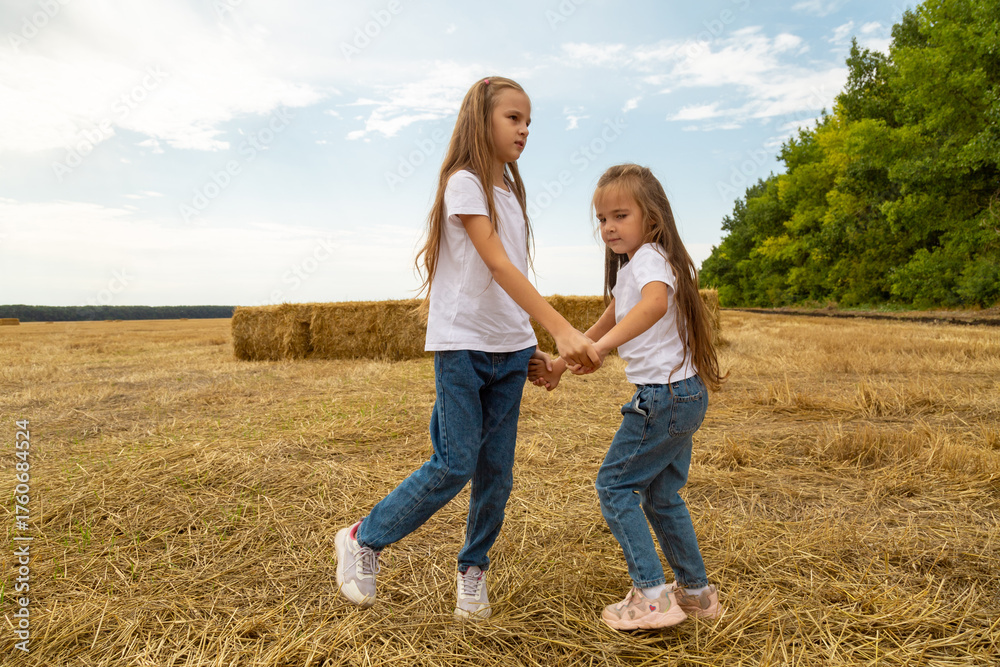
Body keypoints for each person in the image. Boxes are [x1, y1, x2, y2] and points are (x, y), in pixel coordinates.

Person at [335, 76, 601, 620]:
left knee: (496, 474)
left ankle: (472, 569)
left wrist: (530, 340)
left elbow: (513, 274)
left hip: (510, 351)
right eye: (513, 118)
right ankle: (364, 536)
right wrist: (561, 328)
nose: (525, 130)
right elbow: (497, 263)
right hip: (463, 346)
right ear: (480, 120)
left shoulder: (510, 191)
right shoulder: (464, 182)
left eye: (529, 121)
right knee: (456, 461)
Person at [528, 163, 727, 631]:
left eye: (620, 215)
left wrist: (597, 349)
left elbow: (654, 305)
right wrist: (562, 363)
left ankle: (653, 596)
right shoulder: (638, 265)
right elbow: (611, 316)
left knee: (615, 486)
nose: (608, 227)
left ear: (651, 218)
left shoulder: (652, 260)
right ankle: (696, 593)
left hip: (662, 398)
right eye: (601, 219)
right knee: (661, 495)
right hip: (684, 395)